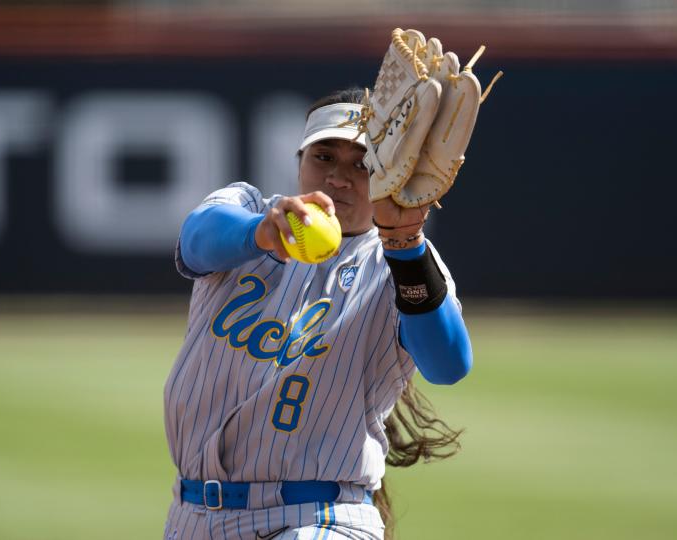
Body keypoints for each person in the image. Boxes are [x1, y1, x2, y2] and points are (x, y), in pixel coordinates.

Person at [163, 87, 472, 540]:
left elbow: (449, 365)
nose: (340, 177)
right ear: (300, 161)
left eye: (363, 164)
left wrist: (406, 247)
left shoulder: (400, 265)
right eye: (324, 156)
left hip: (319, 518)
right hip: (192, 516)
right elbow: (195, 241)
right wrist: (262, 233)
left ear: (392, 174)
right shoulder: (248, 210)